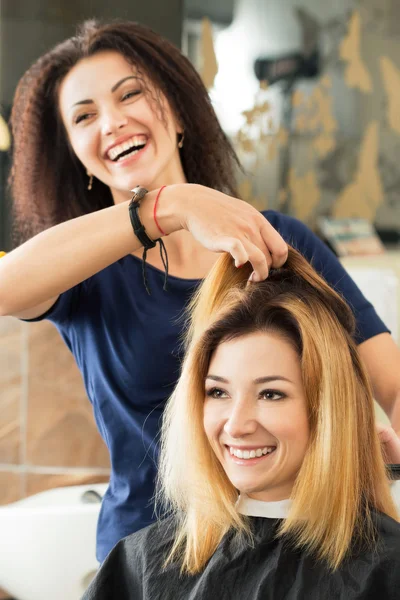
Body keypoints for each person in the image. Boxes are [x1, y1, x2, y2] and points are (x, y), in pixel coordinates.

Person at [1, 19, 400, 563]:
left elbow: (392, 383)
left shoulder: (278, 239)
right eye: (84, 116)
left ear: (179, 109)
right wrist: (170, 207)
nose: (113, 122)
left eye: (131, 93)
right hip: (148, 560)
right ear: (75, 152)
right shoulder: (84, 272)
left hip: (289, 551)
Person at [82, 249, 400, 599]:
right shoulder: (141, 564)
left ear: (325, 408)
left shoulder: (385, 567)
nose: (236, 425)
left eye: (271, 394)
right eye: (218, 392)